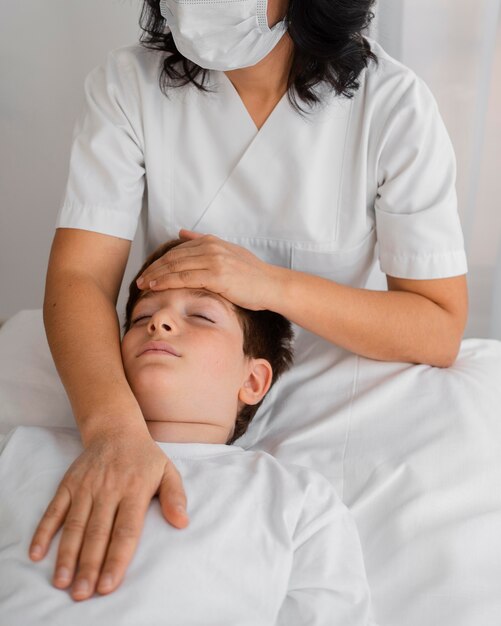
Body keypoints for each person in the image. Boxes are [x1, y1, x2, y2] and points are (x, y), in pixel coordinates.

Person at [31, 0, 469, 603]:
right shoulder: (127, 86)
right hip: (176, 402)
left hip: (338, 384)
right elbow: (79, 277)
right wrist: (113, 430)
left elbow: (438, 323)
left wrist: (267, 285)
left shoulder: (391, 105)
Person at [1, 240, 376, 625]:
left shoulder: (293, 498)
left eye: (201, 316)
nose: (157, 323)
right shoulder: (20, 451)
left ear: (252, 379)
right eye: (141, 315)